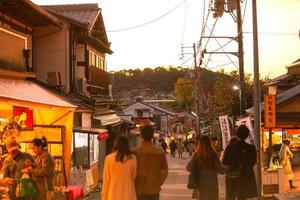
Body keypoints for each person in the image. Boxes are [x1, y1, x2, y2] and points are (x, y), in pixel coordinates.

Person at [223, 125, 258, 200]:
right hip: (246, 177)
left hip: (232, 177)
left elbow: (224, 162)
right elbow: (253, 163)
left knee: (230, 197)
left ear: (237, 134)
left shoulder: (230, 147)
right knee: (242, 197)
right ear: (247, 135)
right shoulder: (251, 148)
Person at [134, 125, 168, 200]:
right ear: (152, 135)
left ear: (141, 135)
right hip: (154, 188)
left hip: (139, 188)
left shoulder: (135, 152)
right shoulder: (159, 152)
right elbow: (164, 170)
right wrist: (158, 181)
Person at [186, 135, 225, 200]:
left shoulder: (197, 155)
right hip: (212, 185)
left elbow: (188, 167)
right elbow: (220, 169)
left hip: (200, 184)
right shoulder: (213, 154)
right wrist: (228, 167)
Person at [102, 135, 137, 200]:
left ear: (116, 144)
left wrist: (104, 196)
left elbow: (106, 180)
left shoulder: (109, 158)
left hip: (113, 194)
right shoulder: (132, 158)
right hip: (128, 193)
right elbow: (134, 176)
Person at [221, 136, 239, 200]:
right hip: (239, 175)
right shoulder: (240, 148)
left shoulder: (228, 148)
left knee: (229, 195)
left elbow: (224, 162)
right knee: (239, 194)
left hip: (229, 175)